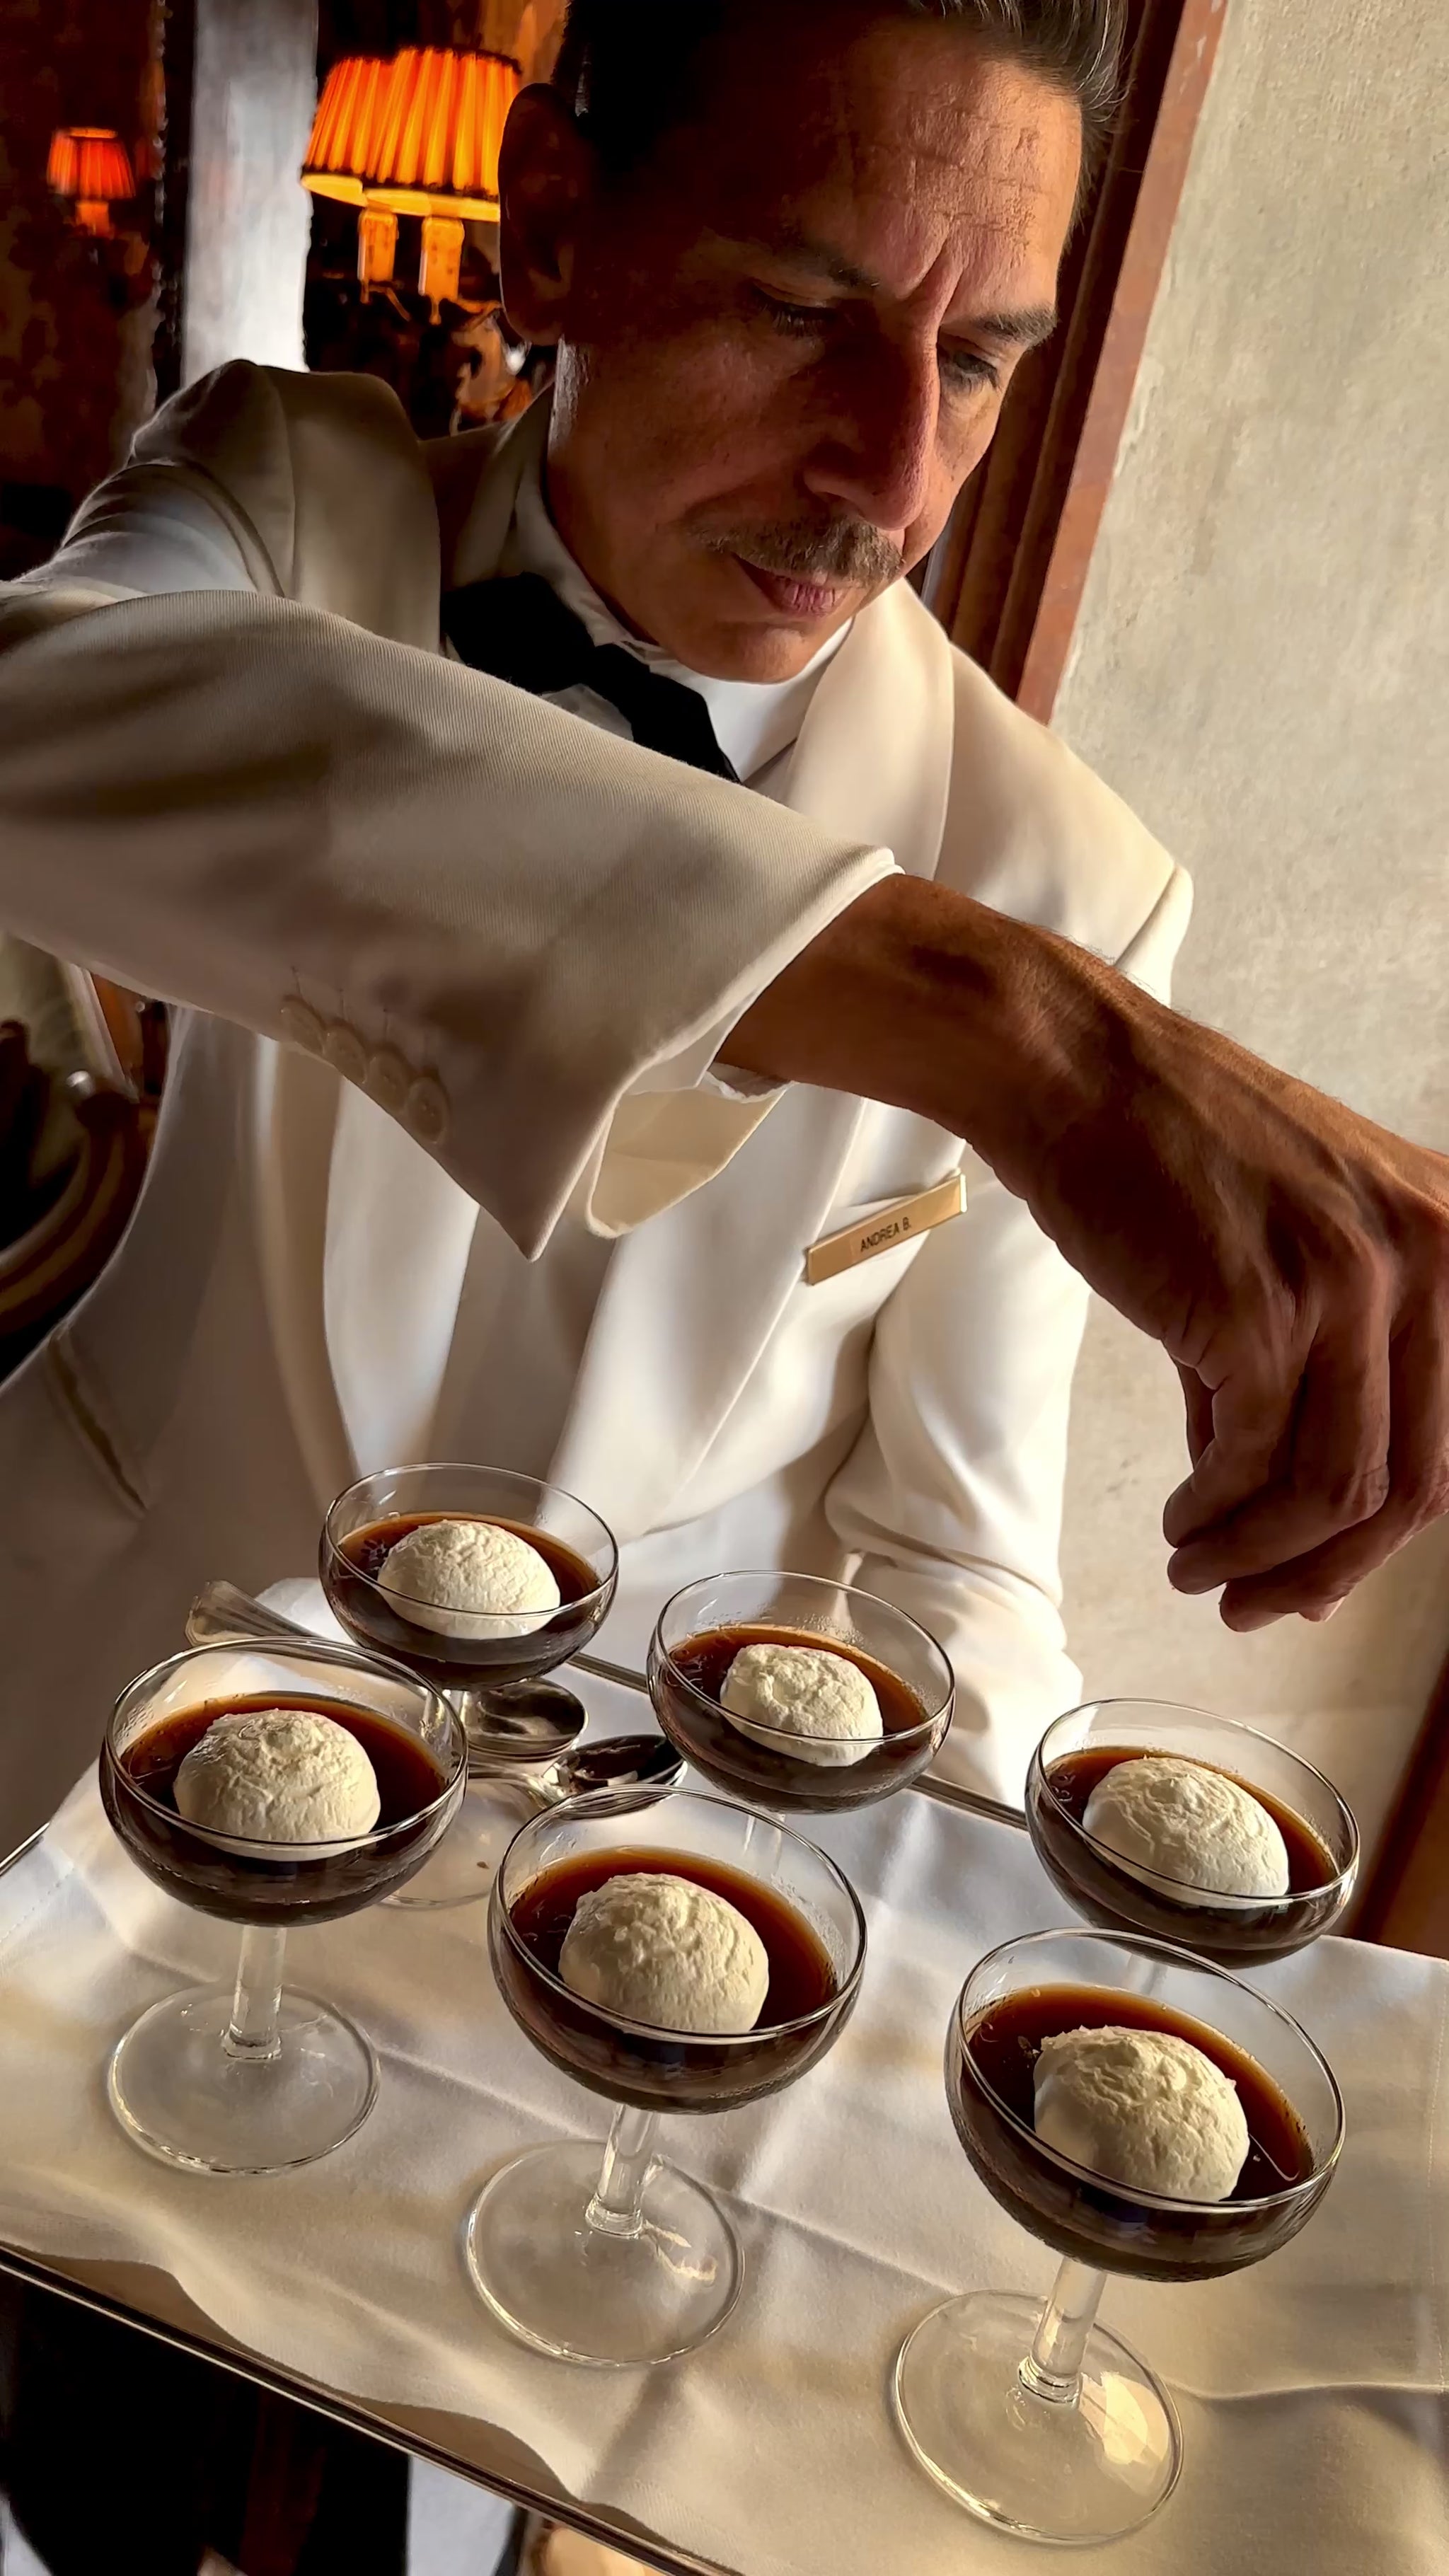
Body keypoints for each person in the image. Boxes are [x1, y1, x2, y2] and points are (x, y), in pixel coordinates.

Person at [0, 0, 1444, 1838]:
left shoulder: (1072, 878)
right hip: (73, 1727)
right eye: (799, 313)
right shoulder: (280, 499)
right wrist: (994, 1026)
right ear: (550, 227)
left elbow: (953, 1567)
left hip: (575, 1892)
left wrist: (977, 1954)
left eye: (983, 361)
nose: (894, 479)